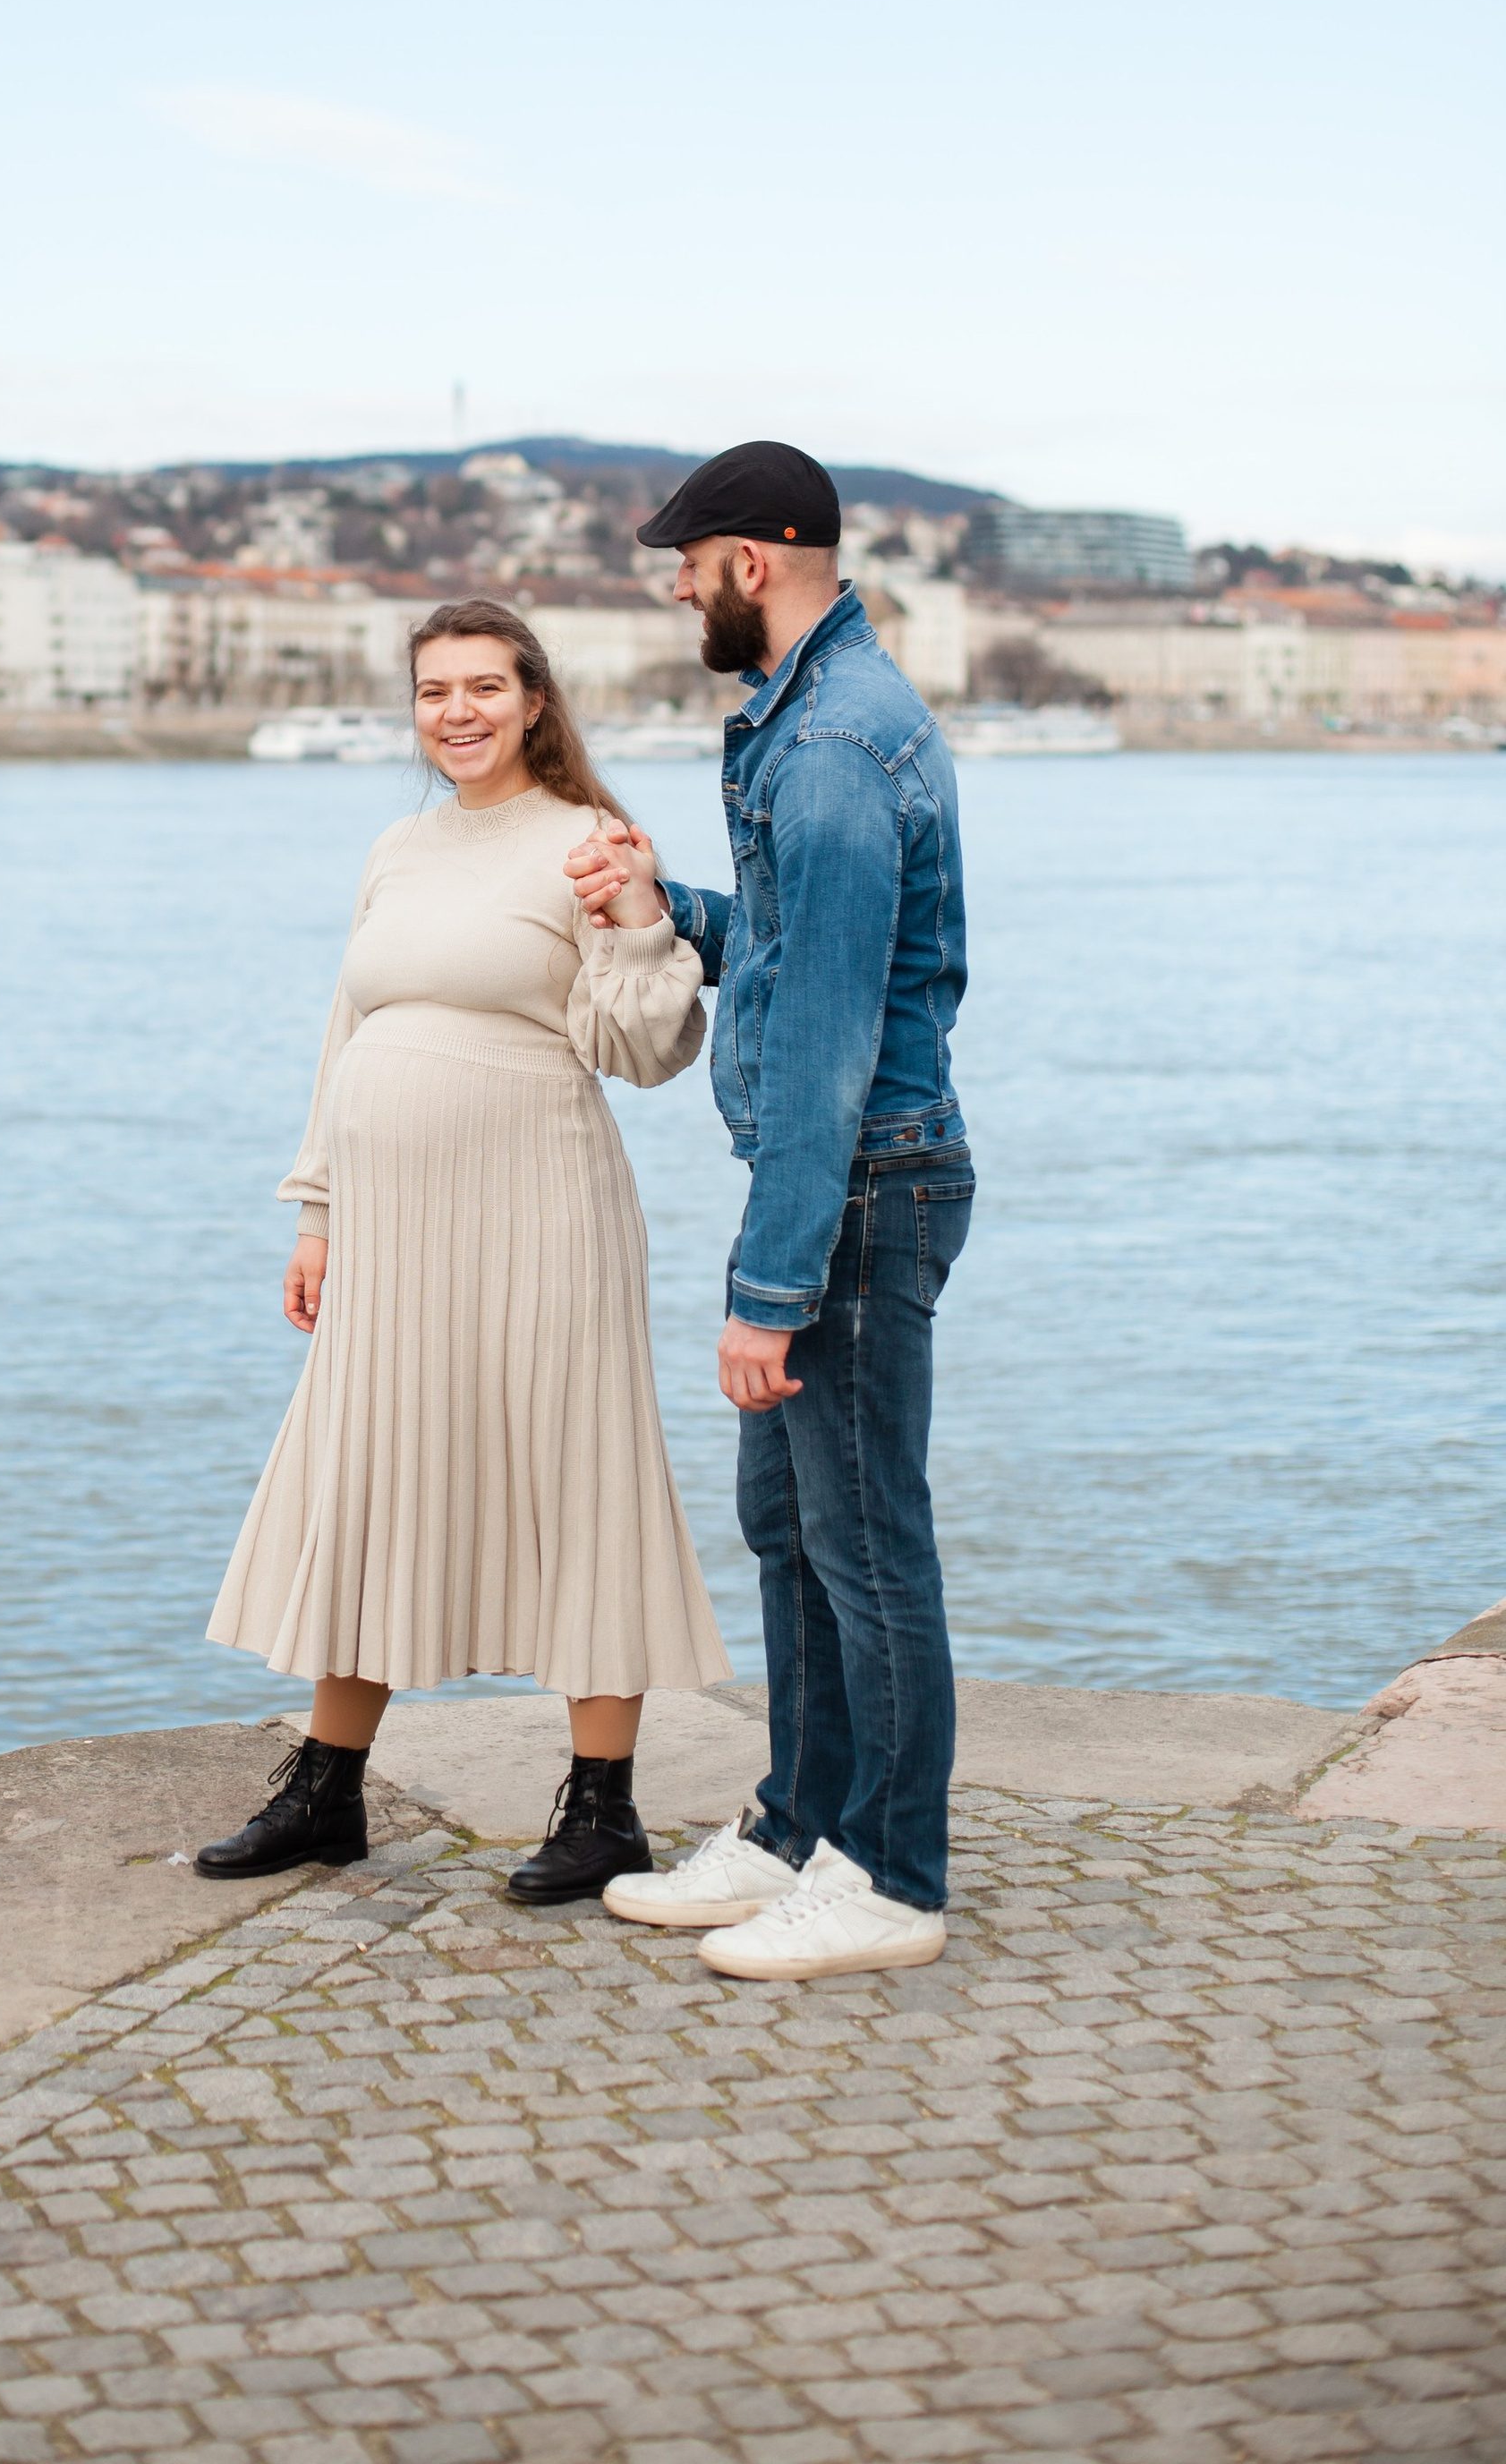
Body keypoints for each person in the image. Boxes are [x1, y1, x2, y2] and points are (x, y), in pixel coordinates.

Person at [200, 596, 731, 1903]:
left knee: (576, 1473)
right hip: (389, 1226)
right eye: (436, 690)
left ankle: (603, 1810)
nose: (459, 712)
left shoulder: (591, 845)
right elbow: (346, 1031)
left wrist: (650, 917)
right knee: (372, 1471)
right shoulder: (398, 846)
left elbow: (648, 1050)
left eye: (485, 687)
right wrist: (317, 1209)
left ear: (535, 700)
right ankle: (329, 1792)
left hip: (541, 1209)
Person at [567, 439, 971, 1981]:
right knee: (793, 1528)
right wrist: (666, 906)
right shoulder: (814, 728)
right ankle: (798, 1827)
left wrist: (770, 1291)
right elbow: (802, 955)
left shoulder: (830, 750)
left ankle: (892, 1877)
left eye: (689, 562)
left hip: (857, 1185)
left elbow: (826, 1049)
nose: (679, 588)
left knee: (867, 1547)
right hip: (844, 1177)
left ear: (755, 561)